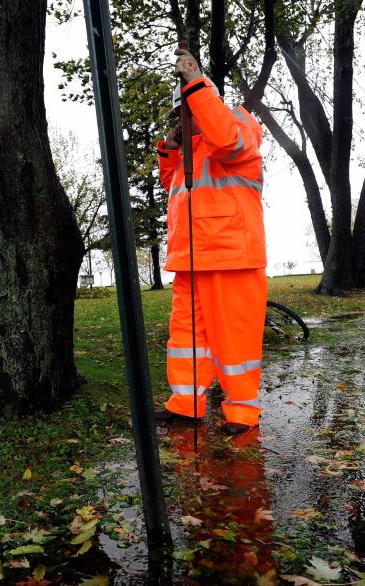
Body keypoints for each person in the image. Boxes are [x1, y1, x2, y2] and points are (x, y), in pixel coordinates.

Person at [152, 47, 267, 436]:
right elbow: (176, 190)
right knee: (186, 338)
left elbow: (227, 141)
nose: (183, 122)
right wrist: (170, 150)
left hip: (231, 256)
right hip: (190, 259)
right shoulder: (192, 152)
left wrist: (196, 87)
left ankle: (242, 412)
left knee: (235, 340)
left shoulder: (239, 127)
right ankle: (187, 403)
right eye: (179, 116)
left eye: (186, 112)